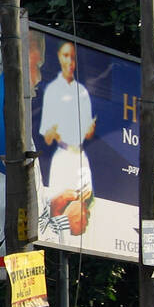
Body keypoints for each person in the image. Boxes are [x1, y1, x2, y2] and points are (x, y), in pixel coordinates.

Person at [39, 41, 96, 236]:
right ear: (59, 59)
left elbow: (88, 133)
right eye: (65, 56)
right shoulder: (53, 90)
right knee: (58, 208)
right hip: (62, 156)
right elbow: (46, 136)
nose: (70, 61)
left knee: (84, 209)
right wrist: (55, 129)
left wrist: (89, 129)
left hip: (81, 156)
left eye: (73, 57)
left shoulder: (82, 91)